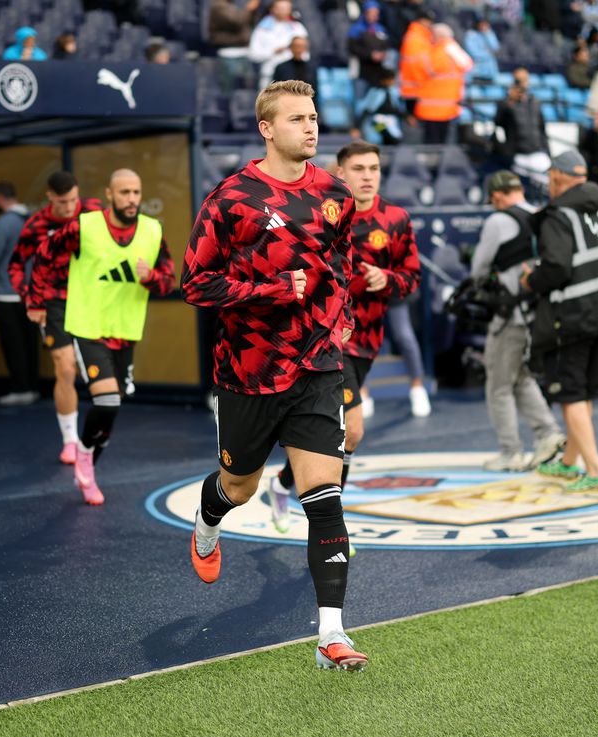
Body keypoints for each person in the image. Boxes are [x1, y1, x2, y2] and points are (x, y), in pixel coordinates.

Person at [181, 80, 366, 671]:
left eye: (313, 118)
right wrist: (272, 289)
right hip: (250, 372)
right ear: (266, 128)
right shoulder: (230, 198)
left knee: (325, 498)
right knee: (240, 487)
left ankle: (331, 635)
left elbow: (341, 265)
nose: (310, 128)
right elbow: (195, 284)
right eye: (296, 119)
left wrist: (341, 320)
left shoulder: (335, 194)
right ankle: (208, 521)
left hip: (317, 366)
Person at [266, 140, 420, 528]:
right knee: (351, 429)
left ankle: (283, 484)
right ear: (340, 174)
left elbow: (411, 278)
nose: (367, 177)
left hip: (367, 341)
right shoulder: (324, 214)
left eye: (374, 169)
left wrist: (388, 279)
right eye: (358, 169)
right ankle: (332, 527)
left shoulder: (397, 219)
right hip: (327, 337)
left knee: (336, 434)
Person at [37, 169, 174, 504]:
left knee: (112, 408)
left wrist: (150, 277)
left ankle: (87, 460)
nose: (132, 199)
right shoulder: (84, 227)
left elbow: (168, 281)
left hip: (126, 331)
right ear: (109, 194)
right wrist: (38, 301)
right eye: (124, 192)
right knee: (107, 400)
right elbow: (44, 256)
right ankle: (84, 454)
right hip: (88, 327)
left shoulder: (153, 230)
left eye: (136, 192)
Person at [521, 150, 598, 495]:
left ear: (556, 177)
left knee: (571, 394)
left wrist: (531, 281)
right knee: (584, 392)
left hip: (574, 314)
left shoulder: (559, 214)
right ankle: (569, 463)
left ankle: (594, 474)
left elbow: (557, 267)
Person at [473, 171, 566, 472]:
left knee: (498, 385)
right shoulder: (540, 216)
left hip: (510, 314)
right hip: (538, 313)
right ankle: (548, 434)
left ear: (497, 196)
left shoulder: (498, 220)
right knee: (521, 376)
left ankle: (510, 452)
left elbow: (479, 269)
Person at [18, 172, 105, 465]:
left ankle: (98, 430)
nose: (69, 208)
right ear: (50, 197)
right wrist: (31, 298)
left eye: (73, 200)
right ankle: (70, 441)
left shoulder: (94, 212)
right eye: (63, 202)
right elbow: (16, 264)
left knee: (98, 373)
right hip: (54, 301)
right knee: (65, 369)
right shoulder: (36, 225)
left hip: (90, 298)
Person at [0, 182, 38, 407]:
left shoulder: (4, 223)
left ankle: (20, 388)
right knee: (29, 343)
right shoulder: (31, 219)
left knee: (13, 343)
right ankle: (32, 386)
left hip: (8, 291)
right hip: (29, 291)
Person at [414, 23, 473, 144]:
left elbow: (424, 69)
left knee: (432, 142)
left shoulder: (442, 50)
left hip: (433, 105)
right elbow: (467, 65)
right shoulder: (452, 50)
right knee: (441, 140)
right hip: (445, 104)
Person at [248, 0, 308, 89]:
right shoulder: (262, 28)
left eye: (286, 8)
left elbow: (305, 54)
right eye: (280, 8)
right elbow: (253, 54)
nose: (283, 11)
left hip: (294, 76)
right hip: (270, 75)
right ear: (272, 9)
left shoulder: (297, 28)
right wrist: (272, 52)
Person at [347, 1, 391, 89]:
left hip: (378, 71)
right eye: (371, 13)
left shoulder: (380, 29)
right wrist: (370, 55)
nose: (374, 16)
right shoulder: (356, 29)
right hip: (361, 71)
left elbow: (385, 45)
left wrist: (382, 54)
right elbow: (352, 48)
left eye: (376, 13)